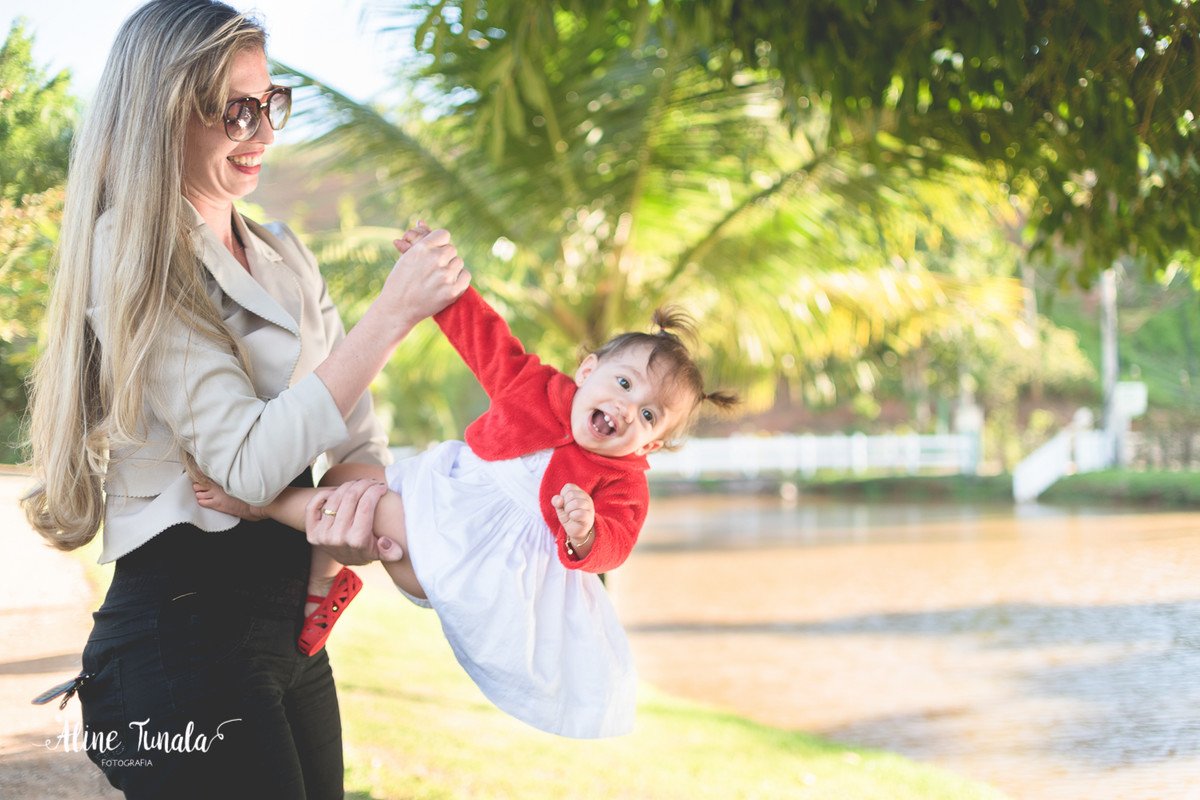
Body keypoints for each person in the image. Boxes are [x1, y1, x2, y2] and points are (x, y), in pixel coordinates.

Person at [19, 2, 467, 797]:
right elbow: (247, 466)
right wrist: (393, 314)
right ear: (167, 115)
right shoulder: (134, 251)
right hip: (178, 642)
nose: (262, 132)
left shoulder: (286, 256)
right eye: (236, 110)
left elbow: (358, 441)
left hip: (290, 637)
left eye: (271, 104)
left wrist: (358, 518)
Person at [196, 230, 737, 738]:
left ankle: (261, 505)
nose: (626, 409)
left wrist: (585, 534)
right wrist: (445, 287)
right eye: (622, 383)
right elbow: (487, 341)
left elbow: (615, 545)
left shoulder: (622, 482)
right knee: (343, 477)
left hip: (477, 567)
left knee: (366, 507)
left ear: (649, 446)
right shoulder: (536, 388)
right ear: (587, 370)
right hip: (443, 491)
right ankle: (322, 588)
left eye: (648, 417)